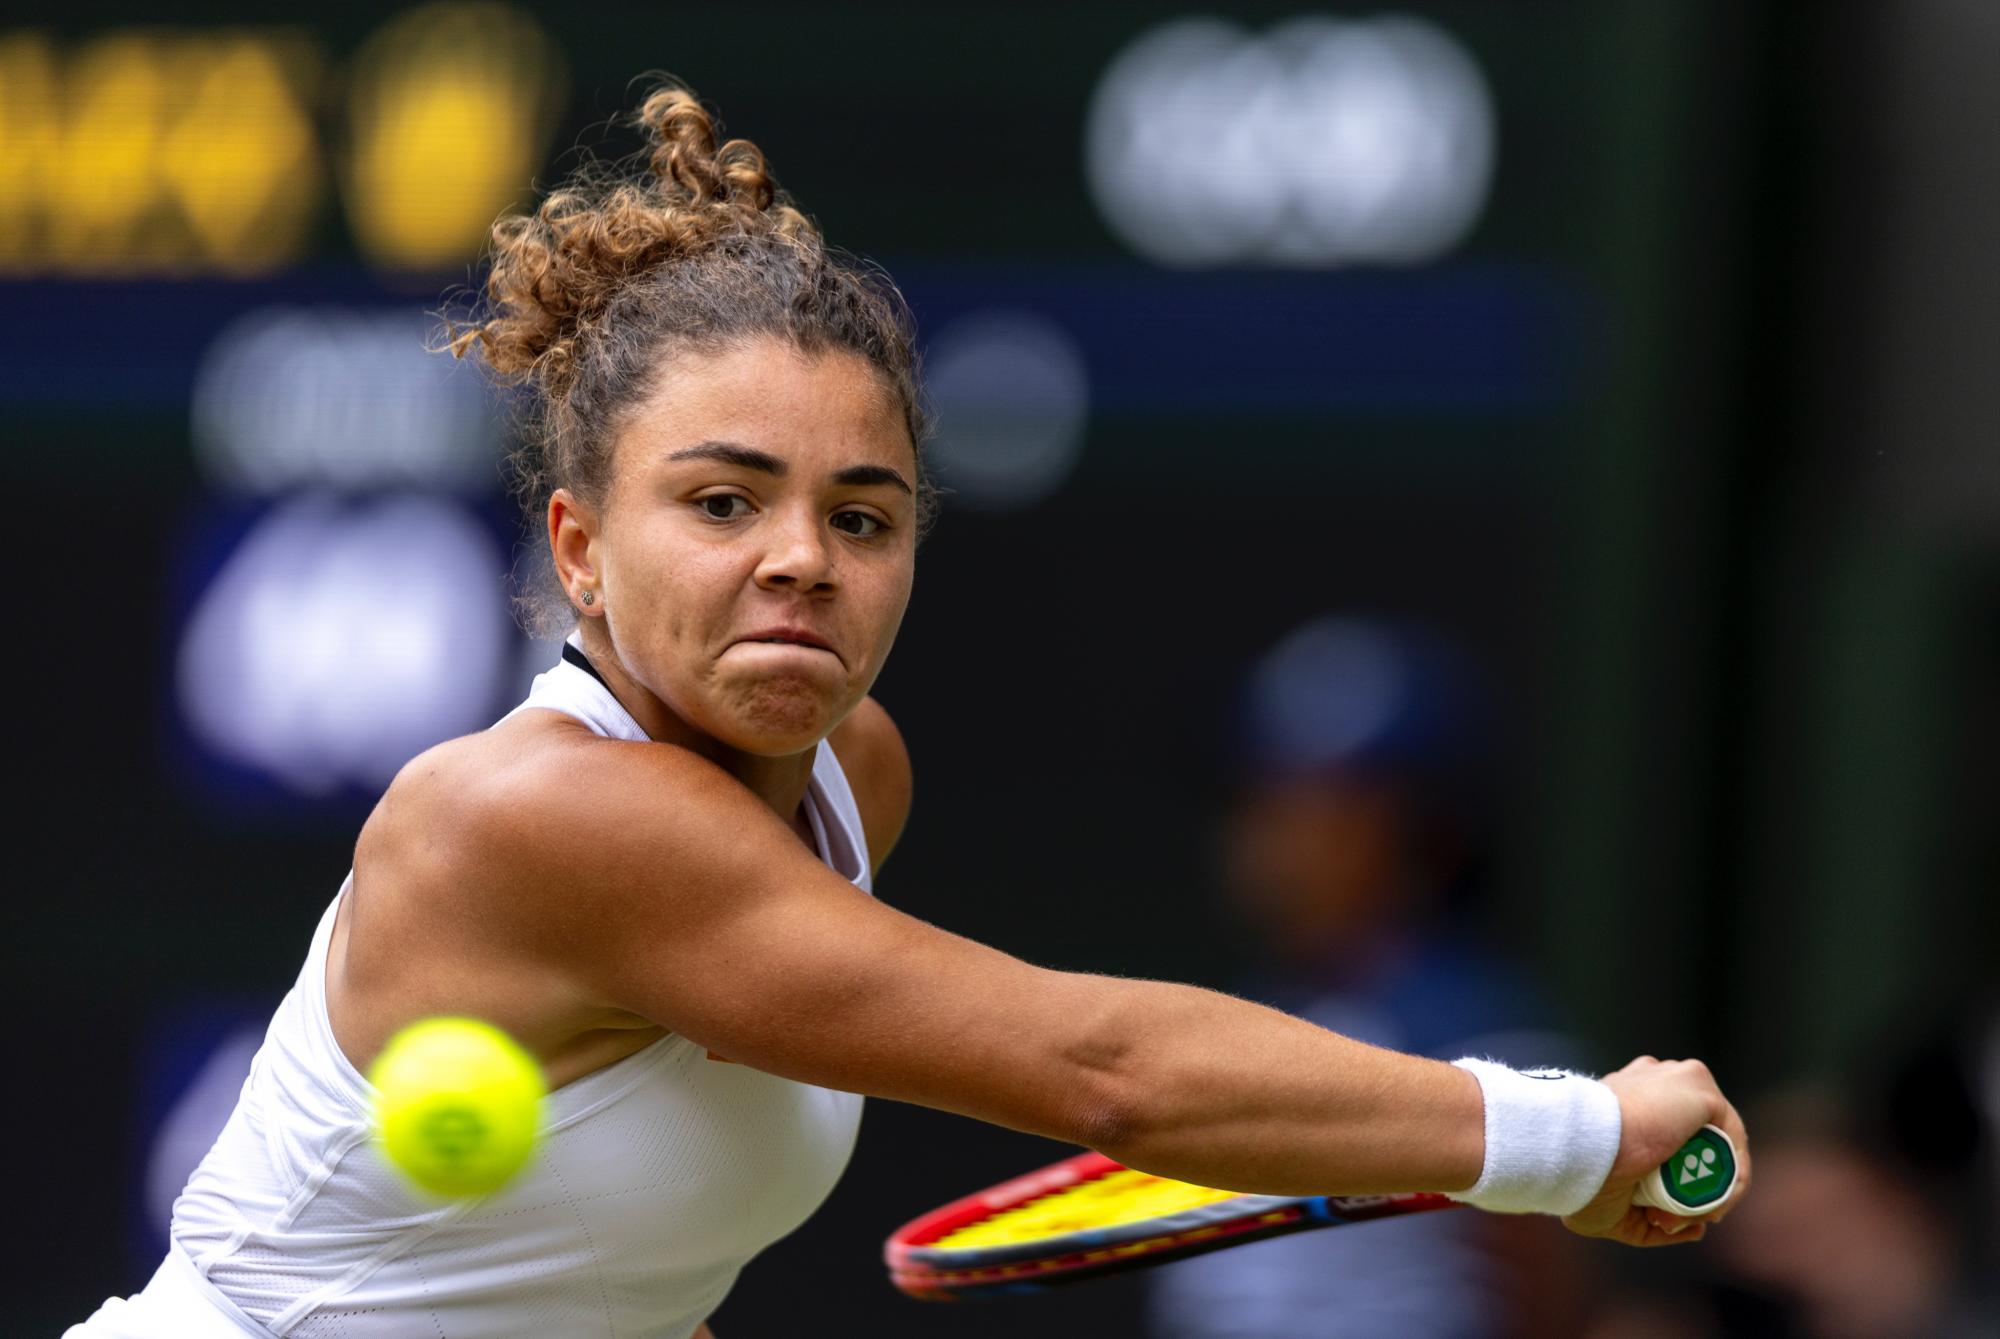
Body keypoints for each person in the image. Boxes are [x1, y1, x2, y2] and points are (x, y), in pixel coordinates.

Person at [68, 85, 1750, 1339]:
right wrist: (1567, 1133)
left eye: (860, 514)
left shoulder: (853, 772)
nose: (802, 557)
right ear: (578, 544)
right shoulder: (533, 816)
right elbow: (1104, 1068)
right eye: (722, 503)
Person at [1147, 617, 1596, 1339]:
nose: (1270, 839)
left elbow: (1548, 1293)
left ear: (1424, 829)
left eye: (1317, 809)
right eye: (1260, 801)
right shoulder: (1252, 1006)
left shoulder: (1483, 1028)